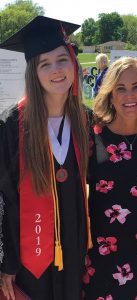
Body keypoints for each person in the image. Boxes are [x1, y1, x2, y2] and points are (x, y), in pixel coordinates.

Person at [0, 16, 92, 300]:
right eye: (45, 63)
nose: (56, 70)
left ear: (74, 63)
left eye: (62, 59)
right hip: (28, 261)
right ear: (34, 72)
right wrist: (6, 263)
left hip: (74, 253)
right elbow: (3, 197)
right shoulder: (11, 126)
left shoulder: (85, 120)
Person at [83, 57, 137, 299]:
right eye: (121, 88)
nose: (129, 95)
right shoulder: (90, 135)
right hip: (98, 248)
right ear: (110, 95)